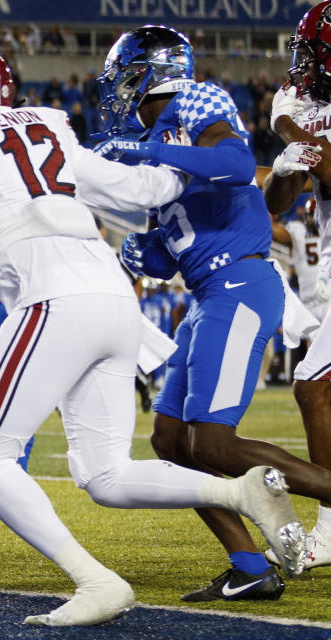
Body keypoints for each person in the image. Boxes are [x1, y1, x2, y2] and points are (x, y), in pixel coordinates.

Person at [0, 40, 305, 627]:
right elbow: (146, 190)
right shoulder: (49, 123)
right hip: (115, 304)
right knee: (106, 474)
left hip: (52, 298)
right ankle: (241, 493)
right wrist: (188, 166)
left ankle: (97, 583)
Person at [92, 24, 331, 601]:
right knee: (171, 441)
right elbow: (175, 235)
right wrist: (146, 249)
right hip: (206, 295)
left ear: (148, 71)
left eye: (124, 76)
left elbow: (231, 160)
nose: (117, 90)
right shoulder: (158, 144)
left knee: (215, 446)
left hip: (241, 284)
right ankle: (248, 564)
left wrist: (149, 151)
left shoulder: (196, 100)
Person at [261, 0, 331, 573]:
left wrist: (287, 124)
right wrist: (286, 163)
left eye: (311, 52)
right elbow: (278, 204)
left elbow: (329, 165)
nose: (302, 65)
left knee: (313, 384)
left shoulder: (307, 116)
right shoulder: (316, 112)